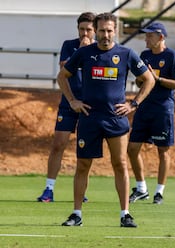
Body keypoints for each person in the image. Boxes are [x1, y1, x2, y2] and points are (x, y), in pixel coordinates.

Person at [57, 12, 155, 227]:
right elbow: (62, 76)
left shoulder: (126, 53)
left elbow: (148, 79)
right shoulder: (84, 53)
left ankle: (125, 214)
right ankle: (76, 214)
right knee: (83, 165)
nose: (106, 35)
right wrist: (73, 101)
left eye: (110, 30)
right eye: (101, 30)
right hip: (89, 118)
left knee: (120, 164)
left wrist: (133, 104)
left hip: (116, 119)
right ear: (96, 31)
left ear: (115, 31)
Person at [37, 12, 96, 203]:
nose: (84, 33)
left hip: (89, 105)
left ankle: (81, 190)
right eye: (81, 29)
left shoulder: (100, 49)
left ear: (95, 30)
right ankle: (49, 189)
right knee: (58, 145)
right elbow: (64, 68)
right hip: (68, 103)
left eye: (88, 29)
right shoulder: (69, 45)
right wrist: (81, 50)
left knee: (84, 149)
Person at [127, 22, 175, 205]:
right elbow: (139, 81)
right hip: (143, 108)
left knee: (163, 151)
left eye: (149, 35)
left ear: (160, 37)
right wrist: (141, 79)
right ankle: (142, 188)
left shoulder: (172, 56)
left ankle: (159, 192)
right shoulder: (144, 55)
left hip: (162, 109)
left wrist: (157, 79)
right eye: (146, 35)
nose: (146, 38)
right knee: (132, 148)